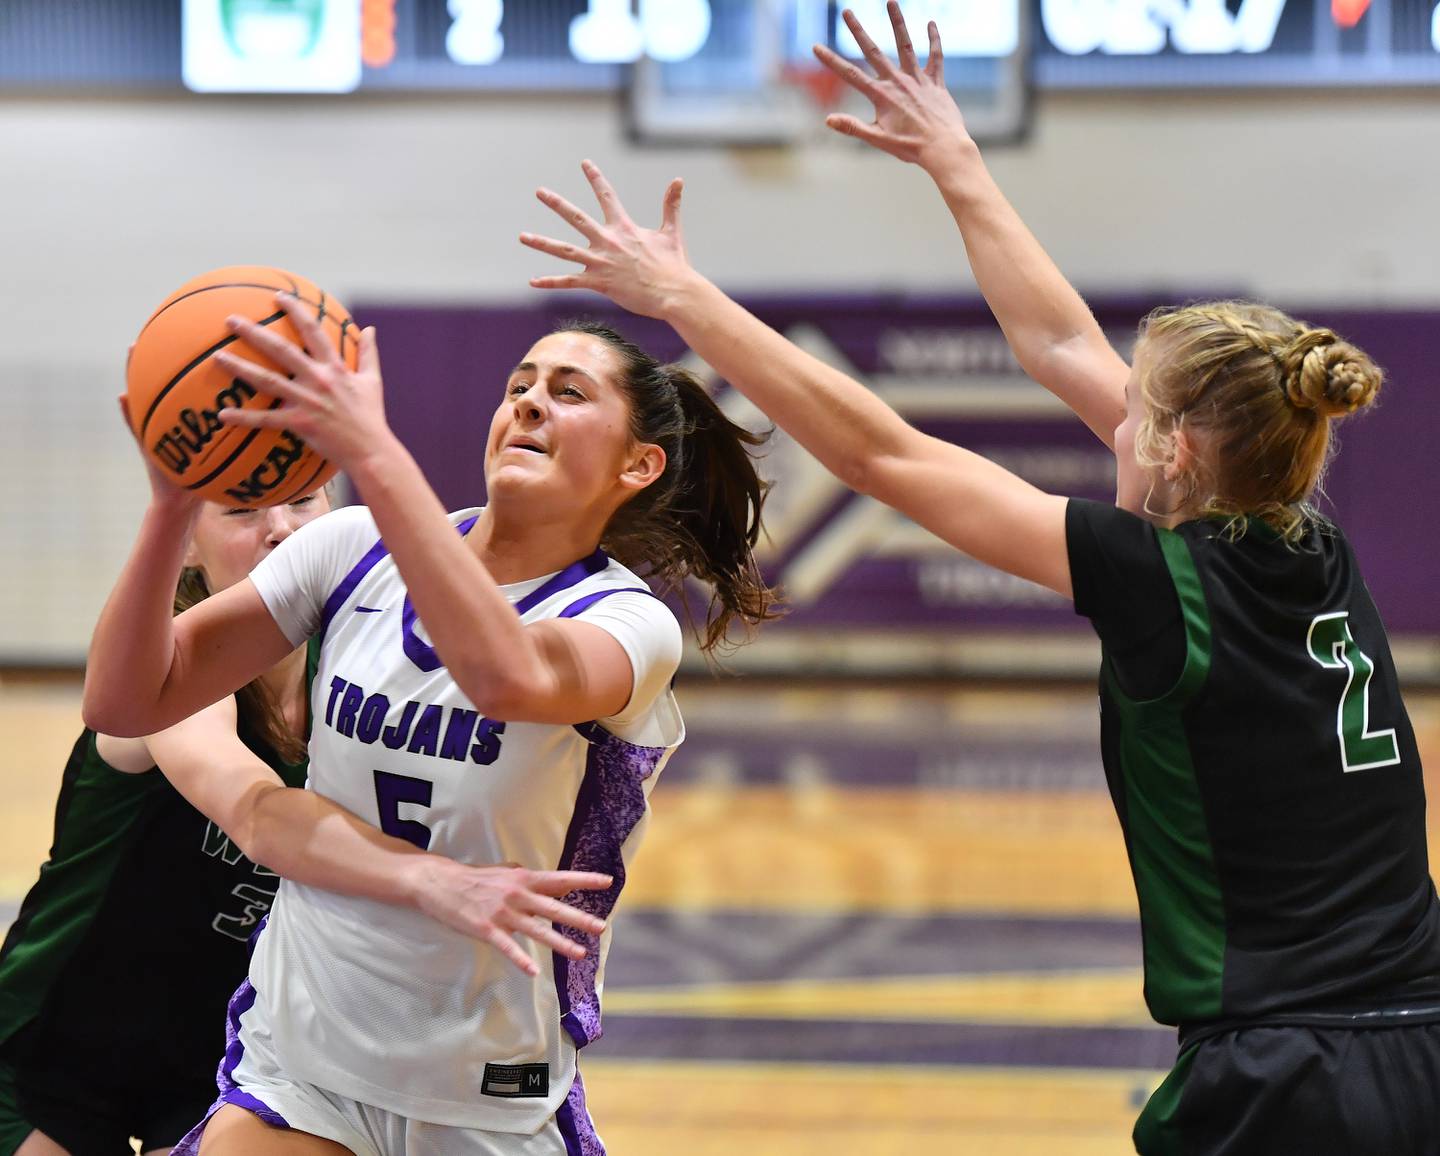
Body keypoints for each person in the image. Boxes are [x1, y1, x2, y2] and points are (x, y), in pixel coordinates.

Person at [518, 6, 1440, 1152]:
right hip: (1416, 1035)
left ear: (1177, 450)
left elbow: (880, 456)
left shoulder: (1162, 579)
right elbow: (1058, 346)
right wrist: (956, 162)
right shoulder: (1309, 541)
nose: (1109, 411)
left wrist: (685, 301)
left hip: (1289, 1066)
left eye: (1133, 407)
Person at [81, 306, 776, 1154]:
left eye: (567, 393)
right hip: (301, 1064)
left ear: (639, 463)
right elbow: (125, 701)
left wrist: (375, 454)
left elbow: (505, 674)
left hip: (481, 1084)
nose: (527, 404)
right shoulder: (345, 550)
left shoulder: (627, 621)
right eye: (518, 386)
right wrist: (167, 508)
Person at [0, 487, 616, 1156]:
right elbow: (255, 811)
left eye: (300, 502)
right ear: (187, 548)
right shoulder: (164, 676)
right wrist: (431, 878)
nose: (280, 529)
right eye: (241, 512)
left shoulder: (358, 671)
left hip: (214, 1060)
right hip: (55, 1052)